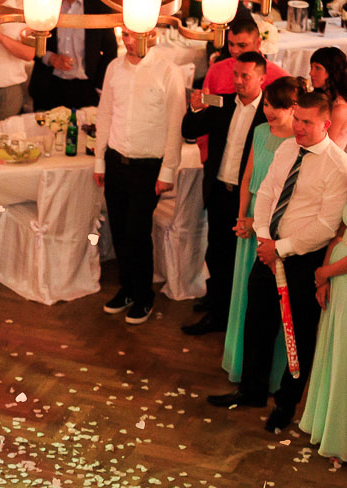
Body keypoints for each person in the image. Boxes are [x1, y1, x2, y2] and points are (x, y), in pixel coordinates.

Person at [208, 93, 347, 433]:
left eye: (306, 122)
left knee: (296, 336)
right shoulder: (287, 148)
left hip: (302, 259)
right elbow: (269, 192)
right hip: (268, 250)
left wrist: (280, 248)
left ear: (326, 124)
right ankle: (251, 390)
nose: (297, 127)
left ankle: (286, 404)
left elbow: (327, 225)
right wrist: (263, 238)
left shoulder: (338, 165)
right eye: (297, 119)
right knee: (257, 321)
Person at [94, 29, 185, 325]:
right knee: (119, 230)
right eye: (126, 34)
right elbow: (105, 113)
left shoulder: (168, 71)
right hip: (116, 160)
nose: (129, 40)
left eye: (136, 35)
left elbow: (175, 124)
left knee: (137, 231)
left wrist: (168, 169)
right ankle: (127, 289)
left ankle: (144, 294)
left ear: (154, 34)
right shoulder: (114, 68)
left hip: (148, 166)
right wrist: (99, 160)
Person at [223, 77, 304, 388]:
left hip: (274, 222)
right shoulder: (259, 132)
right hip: (252, 218)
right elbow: (246, 178)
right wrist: (243, 215)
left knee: (271, 300)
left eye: (278, 106)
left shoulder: (297, 143)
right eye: (268, 104)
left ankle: (270, 375)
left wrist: (260, 222)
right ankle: (239, 363)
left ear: (293, 108)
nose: (269, 111)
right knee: (244, 293)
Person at [179, 51, 268, 336]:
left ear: (262, 79)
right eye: (236, 75)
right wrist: (194, 110)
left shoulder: (268, 112)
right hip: (218, 190)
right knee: (215, 253)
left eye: (246, 76)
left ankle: (231, 314)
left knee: (239, 259)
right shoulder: (222, 103)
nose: (238, 81)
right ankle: (216, 308)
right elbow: (190, 132)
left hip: (247, 198)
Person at [301, 220, 347, 460]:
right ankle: (332, 431)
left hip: (342, 273)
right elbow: (339, 232)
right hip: (338, 279)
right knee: (336, 353)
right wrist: (323, 277)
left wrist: (326, 271)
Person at [28, 0, 116, 112]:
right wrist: (50, 58)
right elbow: (30, 41)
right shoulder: (45, 4)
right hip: (49, 85)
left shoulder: (99, 6)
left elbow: (110, 51)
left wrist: (99, 87)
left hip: (86, 88)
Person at [202, 19, 288, 96]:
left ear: (258, 43)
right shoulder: (217, 69)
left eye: (242, 45)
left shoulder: (279, 77)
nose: (234, 50)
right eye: (231, 44)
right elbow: (206, 105)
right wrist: (197, 108)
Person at [308, 47, 347, 149]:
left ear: (332, 71)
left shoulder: (340, 108)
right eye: (311, 67)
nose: (311, 73)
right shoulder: (323, 98)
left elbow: (327, 149)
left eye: (317, 68)